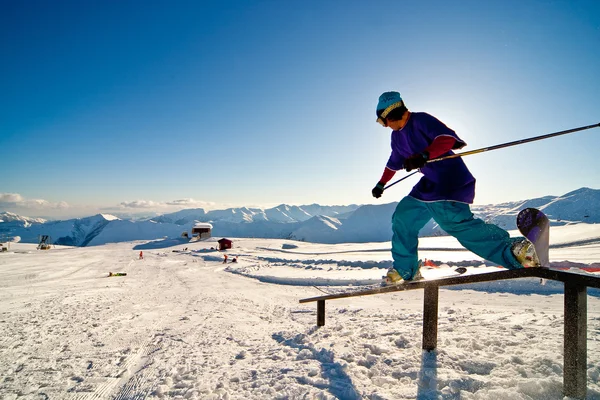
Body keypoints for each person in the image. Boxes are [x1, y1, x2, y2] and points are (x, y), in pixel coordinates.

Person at [371, 91, 538, 284]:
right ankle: (405, 269)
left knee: (454, 223)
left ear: (392, 114)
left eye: (383, 121)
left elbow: (445, 139)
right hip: (428, 186)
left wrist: (425, 155)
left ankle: (514, 251)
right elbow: (394, 162)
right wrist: (381, 184)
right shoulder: (396, 137)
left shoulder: (420, 120)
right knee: (403, 217)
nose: (384, 126)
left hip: (450, 181)